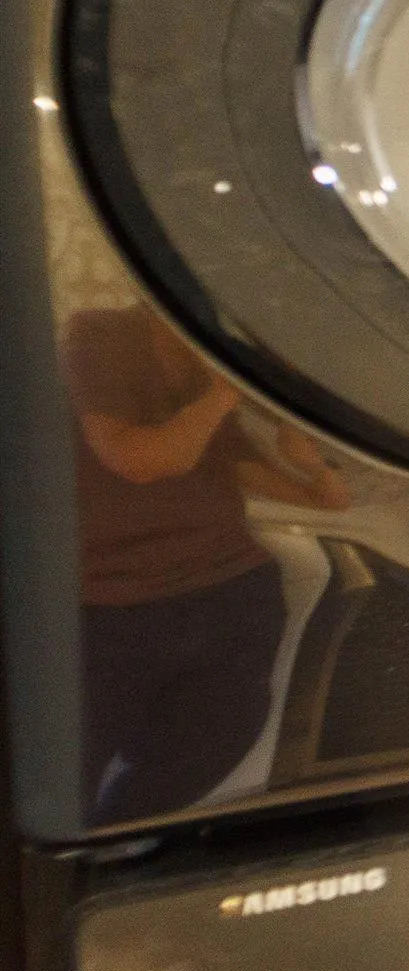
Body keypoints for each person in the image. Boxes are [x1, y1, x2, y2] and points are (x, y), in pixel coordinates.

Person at [63, 304, 349, 825]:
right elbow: (140, 461)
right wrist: (223, 391)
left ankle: (120, 840)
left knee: (214, 745)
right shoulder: (101, 335)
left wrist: (309, 461)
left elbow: (320, 498)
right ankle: (89, 844)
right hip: (115, 596)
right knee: (67, 769)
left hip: (231, 587)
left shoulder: (209, 360)